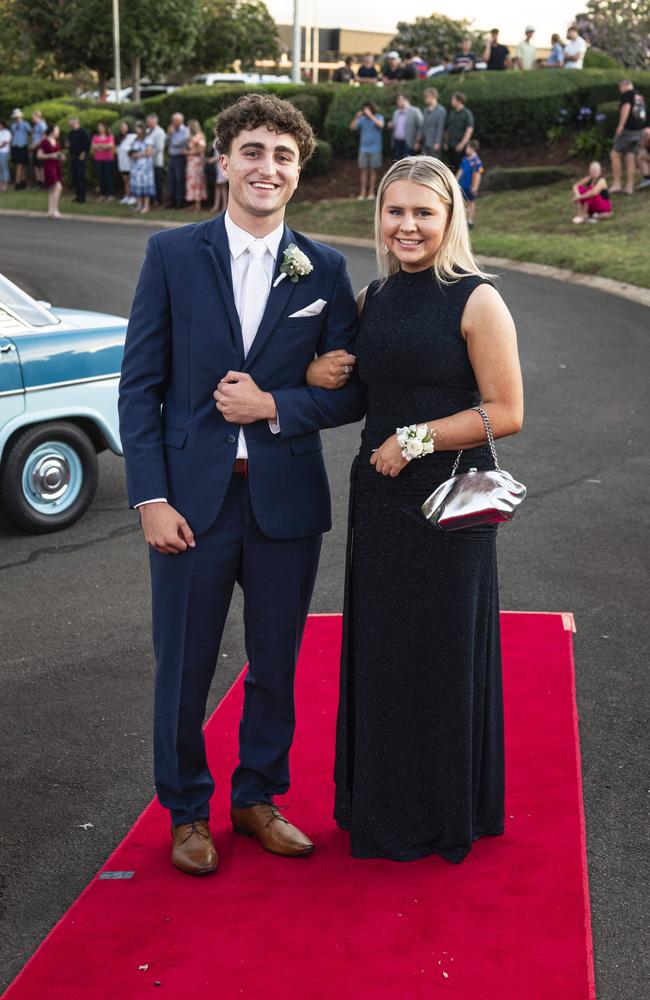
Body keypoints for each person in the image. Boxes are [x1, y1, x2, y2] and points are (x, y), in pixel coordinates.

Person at [118, 93, 364, 876]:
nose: (268, 168)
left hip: (284, 501)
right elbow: (139, 385)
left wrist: (277, 405)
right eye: (253, 152)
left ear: (298, 172)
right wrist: (150, 497)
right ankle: (187, 808)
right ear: (224, 161)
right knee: (183, 663)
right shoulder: (171, 253)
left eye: (283, 156)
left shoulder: (324, 268)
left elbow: (353, 390)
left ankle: (258, 796)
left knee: (276, 661)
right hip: (189, 502)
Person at [306, 154, 523, 863]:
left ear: (450, 219)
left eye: (424, 213)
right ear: (380, 217)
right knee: (384, 652)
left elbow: (508, 410)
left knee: (440, 652)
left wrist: (417, 437)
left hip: (448, 503)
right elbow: (363, 393)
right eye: (395, 211)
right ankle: (385, 806)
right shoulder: (373, 298)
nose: (408, 225)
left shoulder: (477, 298)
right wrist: (316, 373)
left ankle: (441, 812)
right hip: (381, 500)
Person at [610, 79, 647, 194]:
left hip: (628, 130)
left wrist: (620, 125)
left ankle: (617, 184)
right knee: (630, 156)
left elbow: (626, 107)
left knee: (615, 154)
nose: (620, 91)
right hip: (639, 130)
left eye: (620, 88)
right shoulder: (639, 96)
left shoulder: (627, 94)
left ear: (624, 86)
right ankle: (629, 187)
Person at [351, 101, 385, 199]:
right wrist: (356, 117)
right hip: (363, 149)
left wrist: (370, 116)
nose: (365, 111)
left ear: (372, 109)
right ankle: (362, 192)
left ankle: (371, 193)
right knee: (364, 171)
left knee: (373, 171)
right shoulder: (362, 119)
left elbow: (381, 125)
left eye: (368, 109)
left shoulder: (378, 117)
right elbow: (352, 127)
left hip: (375, 149)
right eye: (364, 109)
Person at [37, 123, 65, 219]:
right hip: (49, 166)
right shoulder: (45, 142)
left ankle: (50, 211)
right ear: (52, 131)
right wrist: (51, 155)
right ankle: (55, 210)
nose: (58, 132)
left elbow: (58, 153)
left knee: (52, 189)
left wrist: (61, 156)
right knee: (57, 187)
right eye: (57, 130)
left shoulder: (56, 141)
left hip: (56, 165)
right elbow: (39, 155)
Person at [128, 121, 155, 214]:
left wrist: (139, 155)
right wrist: (132, 154)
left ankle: (146, 206)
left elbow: (150, 152)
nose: (137, 130)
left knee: (145, 186)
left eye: (138, 128)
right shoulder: (135, 139)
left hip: (145, 168)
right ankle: (139, 205)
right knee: (138, 186)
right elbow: (131, 151)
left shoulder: (148, 139)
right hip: (136, 167)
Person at [457, 138, 484, 226]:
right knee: (462, 202)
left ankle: (470, 221)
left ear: (472, 149)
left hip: (470, 186)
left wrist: (475, 187)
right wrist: (456, 178)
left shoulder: (477, 162)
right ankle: (461, 220)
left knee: (471, 202)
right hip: (462, 185)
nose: (466, 149)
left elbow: (478, 175)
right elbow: (461, 169)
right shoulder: (465, 159)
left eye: (467, 148)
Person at [445, 91, 474, 170]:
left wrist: (462, 144)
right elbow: (448, 128)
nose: (451, 101)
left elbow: (469, 130)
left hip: (460, 146)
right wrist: (446, 142)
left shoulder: (467, 113)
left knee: (459, 168)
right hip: (450, 145)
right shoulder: (452, 112)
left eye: (453, 99)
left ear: (459, 101)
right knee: (450, 167)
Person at [388, 93, 423, 160]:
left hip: (409, 143)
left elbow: (421, 127)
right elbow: (395, 125)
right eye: (397, 100)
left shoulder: (415, 111)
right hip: (396, 142)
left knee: (407, 164)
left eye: (399, 100)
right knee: (397, 163)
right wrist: (391, 125)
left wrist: (418, 141)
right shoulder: (396, 112)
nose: (397, 102)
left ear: (406, 100)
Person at [166, 112, 189, 208]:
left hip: (180, 158)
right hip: (172, 157)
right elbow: (167, 142)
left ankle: (180, 202)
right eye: (172, 121)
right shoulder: (171, 130)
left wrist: (172, 138)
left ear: (180, 121)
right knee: (171, 180)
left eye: (174, 121)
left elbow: (179, 142)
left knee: (179, 180)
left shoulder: (185, 130)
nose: (173, 123)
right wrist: (169, 135)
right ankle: (172, 201)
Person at [67, 116, 91, 203]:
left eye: (70, 122)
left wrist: (84, 153)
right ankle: (77, 196)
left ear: (75, 122)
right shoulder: (71, 133)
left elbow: (87, 144)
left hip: (80, 157)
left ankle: (82, 197)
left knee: (80, 176)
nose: (69, 124)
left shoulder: (83, 132)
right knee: (75, 177)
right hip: (73, 156)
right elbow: (69, 144)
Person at [185, 118, 207, 211]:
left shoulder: (199, 136)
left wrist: (189, 153)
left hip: (196, 162)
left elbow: (201, 149)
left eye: (189, 126)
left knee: (196, 181)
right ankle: (194, 203)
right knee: (192, 181)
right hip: (191, 162)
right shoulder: (193, 136)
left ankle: (198, 205)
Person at [91, 122, 116, 202]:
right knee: (101, 177)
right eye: (99, 127)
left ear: (105, 128)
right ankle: (102, 194)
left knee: (108, 176)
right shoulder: (95, 137)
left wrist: (99, 145)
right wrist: (104, 146)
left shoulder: (110, 136)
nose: (100, 129)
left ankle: (110, 194)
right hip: (98, 159)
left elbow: (111, 145)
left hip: (108, 159)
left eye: (101, 127)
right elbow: (93, 146)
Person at [146, 113, 166, 207]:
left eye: (150, 121)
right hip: (147, 161)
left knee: (158, 181)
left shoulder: (160, 132)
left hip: (156, 161)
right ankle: (152, 200)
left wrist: (149, 154)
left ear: (155, 121)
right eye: (147, 121)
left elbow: (159, 148)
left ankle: (159, 200)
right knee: (150, 182)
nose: (148, 123)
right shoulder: (148, 130)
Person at [419, 87, 446, 156]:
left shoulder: (441, 110)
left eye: (427, 97)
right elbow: (423, 126)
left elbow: (440, 127)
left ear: (433, 96)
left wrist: (438, 142)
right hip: (425, 143)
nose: (425, 99)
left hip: (434, 143)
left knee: (434, 164)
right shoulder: (425, 110)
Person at [10, 109, 31, 190]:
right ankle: (20, 182)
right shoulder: (13, 125)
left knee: (22, 165)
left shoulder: (25, 124)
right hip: (16, 146)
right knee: (19, 165)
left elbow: (30, 132)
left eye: (18, 117)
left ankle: (19, 182)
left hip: (23, 146)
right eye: (15, 117)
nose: (17, 119)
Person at [116, 121, 136, 205]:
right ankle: (127, 196)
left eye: (124, 127)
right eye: (121, 127)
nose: (122, 129)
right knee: (125, 180)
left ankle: (133, 196)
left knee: (131, 180)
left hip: (130, 163)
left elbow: (135, 147)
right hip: (122, 163)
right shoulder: (121, 138)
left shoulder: (132, 136)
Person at [30, 110, 48, 187]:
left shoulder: (42, 124)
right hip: (35, 146)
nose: (32, 119)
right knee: (36, 165)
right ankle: (39, 181)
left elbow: (44, 136)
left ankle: (43, 181)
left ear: (37, 117)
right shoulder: (36, 125)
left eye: (33, 117)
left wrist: (36, 144)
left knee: (41, 165)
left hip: (40, 147)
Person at [0, 120, 11, 193]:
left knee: (4, 168)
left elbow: (6, 142)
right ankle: (1, 184)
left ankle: (5, 184)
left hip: (4, 152)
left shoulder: (7, 132)